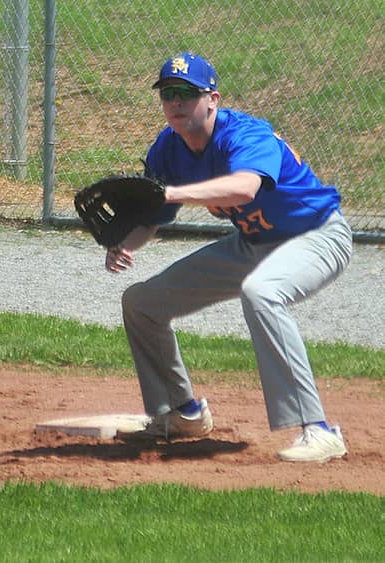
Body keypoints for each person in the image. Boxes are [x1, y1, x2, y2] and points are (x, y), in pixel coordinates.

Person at [107, 52, 352, 463]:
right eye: (168, 94)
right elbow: (155, 216)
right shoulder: (168, 149)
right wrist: (127, 243)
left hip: (318, 234)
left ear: (213, 99)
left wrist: (171, 192)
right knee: (141, 302)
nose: (176, 102)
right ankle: (182, 413)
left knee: (262, 292)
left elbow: (243, 188)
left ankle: (320, 430)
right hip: (253, 243)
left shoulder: (245, 134)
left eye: (187, 93)